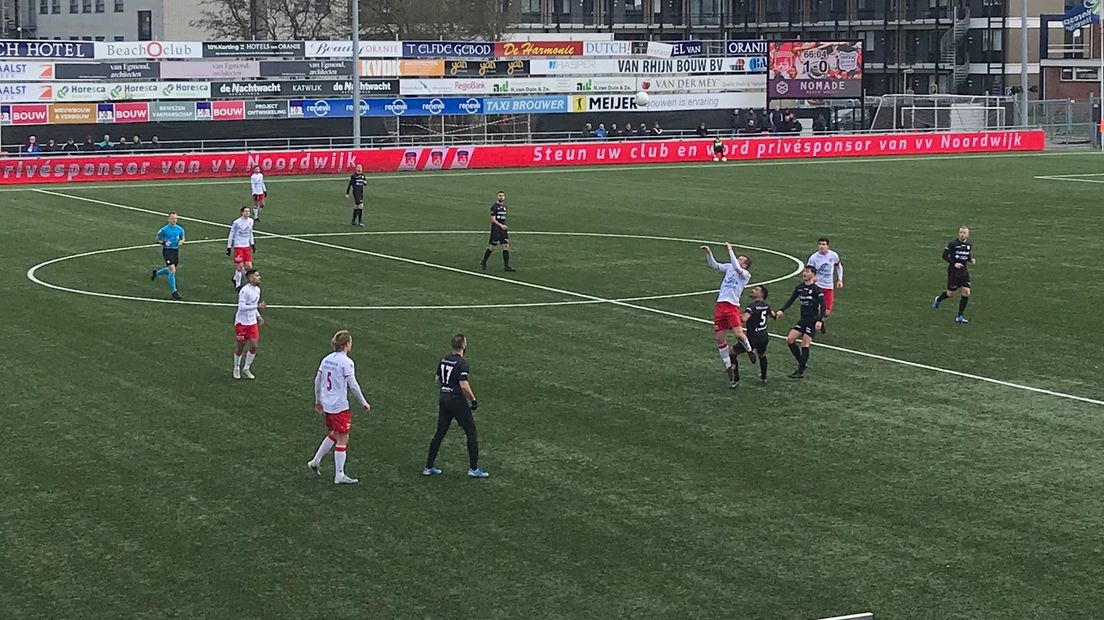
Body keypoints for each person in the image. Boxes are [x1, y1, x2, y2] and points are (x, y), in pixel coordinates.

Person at [308, 330, 372, 485]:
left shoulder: (326, 359)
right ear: (347, 344)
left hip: (327, 404)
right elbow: (354, 386)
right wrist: (363, 402)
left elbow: (317, 381)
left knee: (334, 433)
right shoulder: (347, 362)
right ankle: (339, 475)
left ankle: (315, 461)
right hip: (339, 406)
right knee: (343, 437)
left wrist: (318, 400)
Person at [423, 334, 488, 478]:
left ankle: (428, 466)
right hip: (457, 400)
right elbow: (464, 385)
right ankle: (473, 469)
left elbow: (437, 380)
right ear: (463, 345)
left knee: (440, 433)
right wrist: (473, 400)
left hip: (444, 398)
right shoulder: (462, 363)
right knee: (471, 431)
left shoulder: (444, 359)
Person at [701, 242, 756, 388]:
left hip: (732, 306)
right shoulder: (730, 267)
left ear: (745, 265)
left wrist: (730, 250)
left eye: (741, 259)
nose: (738, 260)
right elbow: (714, 265)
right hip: (721, 305)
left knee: (738, 334)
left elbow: (737, 268)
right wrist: (709, 253)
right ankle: (728, 367)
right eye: (738, 258)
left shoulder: (745, 274)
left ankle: (749, 350)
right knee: (720, 339)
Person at [775, 265, 826, 379]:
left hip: (812, 321)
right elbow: (791, 300)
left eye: (807, 272)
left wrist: (820, 320)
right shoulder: (799, 288)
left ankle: (800, 371)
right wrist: (782, 310)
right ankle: (802, 363)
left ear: (813, 275)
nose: (804, 273)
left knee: (805, 343)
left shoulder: (816, 289)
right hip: (803, 319)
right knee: (790, 340)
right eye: (804, 271)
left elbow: (823, 305)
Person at [933, 226, 975, 324]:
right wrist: (954, 263)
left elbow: (967, 255)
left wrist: (970, 259)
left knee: (966, 292)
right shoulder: (953, 244)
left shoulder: (969, 244)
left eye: (964, 233)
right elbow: (944, 256)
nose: (962, 234)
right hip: (953, 272)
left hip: (964, 272)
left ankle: (960, 316)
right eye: (960, 232)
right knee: (951, 293)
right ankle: (938, 299)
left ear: (967, 235)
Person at [232, 269, 265, 380]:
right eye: (256, 275)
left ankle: (246, 368)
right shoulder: (244, 291)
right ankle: (236, 367)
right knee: (240, 347)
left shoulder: (257, 290)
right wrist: (257, 307)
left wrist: (258, 316)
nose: (259, 277)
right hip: (242, 323)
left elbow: (253, 305)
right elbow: (241, 307)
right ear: (250, 278)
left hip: (252, 323)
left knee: (254, 346)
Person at [806, 237, 844, 333]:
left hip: (828, 286)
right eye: (820, 244)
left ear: (828, 246)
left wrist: (840, 279)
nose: (821, 246)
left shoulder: (833, 255)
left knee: (826, 312)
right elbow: (808, 271)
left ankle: (820, 321)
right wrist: (811, 279)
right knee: (816, 308)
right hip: (817, 286)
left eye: (823, 244)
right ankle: (810, 328)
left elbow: (838, 266)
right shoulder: (813, 258)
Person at [741, 285, 774, 382]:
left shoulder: (752, 306)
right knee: (762, 355)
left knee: (733, 353)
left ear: (761, 294)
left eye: (756, 290)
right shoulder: (766, 305)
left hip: (752, 338)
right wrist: (778, 314)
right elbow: (773, 315)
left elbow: (744, 319)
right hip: (763, 337)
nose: (752, 290)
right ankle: (764, 377)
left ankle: (734, 377)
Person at [150, 212, 185, 300]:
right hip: (167, 251)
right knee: (172, 270)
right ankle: (174, 292)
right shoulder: (164, 230)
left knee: (171, 269)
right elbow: (157, 239)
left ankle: (156, 273)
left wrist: (181, 241)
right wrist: (164, 242)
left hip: (175, 250)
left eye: (175, 218)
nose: (174, 220)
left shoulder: (180, 229)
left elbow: (183, 238)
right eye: (172, 218)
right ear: (169, 219)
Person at [480, 191, 515, 272]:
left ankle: (506, 266)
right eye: (500, 195)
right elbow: (493, 220)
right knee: (492, 247)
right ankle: (483, 261)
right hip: (496, 229)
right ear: (497, 197)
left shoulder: (504, 207)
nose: (501, 197)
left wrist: (504, 226)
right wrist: (501, 225)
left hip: (503, 230)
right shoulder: (494, 207)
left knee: (506, 246)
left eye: (503, 195)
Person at [226, 206, 256, 289]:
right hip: (238, 246)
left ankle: (235, 278)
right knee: (240, 266)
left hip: (246, 246)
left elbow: (250, 233)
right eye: (246, 211)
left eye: (248, 211)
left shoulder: (251, 221)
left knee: (249, 266)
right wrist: (229, 247)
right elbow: (231, 234)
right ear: (242, 212)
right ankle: (238, 285)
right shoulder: (237, 222)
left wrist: (252, 243)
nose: (247, 213)